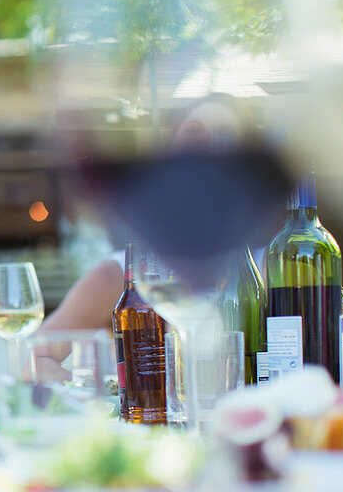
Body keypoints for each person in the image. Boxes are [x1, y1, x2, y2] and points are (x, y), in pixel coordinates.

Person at [40, 93, 259, 334]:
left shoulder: (271, 264)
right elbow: (37, 357)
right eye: (194, 132)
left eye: (224, 137)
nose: (205, 147)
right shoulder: (124, 277)